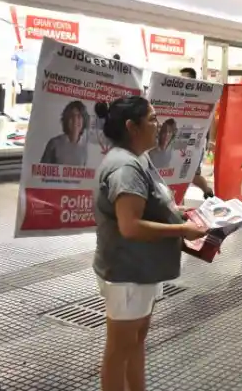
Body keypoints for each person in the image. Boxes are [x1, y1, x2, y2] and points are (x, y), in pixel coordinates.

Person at [92, 96, 207, 391]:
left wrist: (177, 211)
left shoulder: (139, 159)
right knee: (120, 349)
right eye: (153, 119)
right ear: (132, 126)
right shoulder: (125, 168)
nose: (158, 125)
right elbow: (130, 225)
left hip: (142, 269)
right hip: (127, 272)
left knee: (136, 342)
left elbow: (148, 205)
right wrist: (181, 229)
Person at [177, 68, 214, 198]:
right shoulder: (179, 96)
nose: (182, 81)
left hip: (195, 142)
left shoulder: (201, 97)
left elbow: (211, 119)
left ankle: (207, 191)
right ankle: (179, 199)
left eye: (185, 78)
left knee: (192, 173)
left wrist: (210, 141)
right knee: (181, 172)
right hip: (180, 141)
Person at [40, 100, 90, 166]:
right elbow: (41, 170)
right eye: (71, 116)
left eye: (79, 116)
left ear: (84, 121)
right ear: (66, 120)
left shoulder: (85, 147)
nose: (75, 120)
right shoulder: (54, 144)